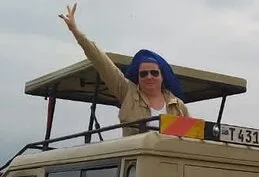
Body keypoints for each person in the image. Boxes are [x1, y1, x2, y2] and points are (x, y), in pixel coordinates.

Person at [58, 3, 189, 136]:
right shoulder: (128, 93)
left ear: (162, 76)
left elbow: (192, 138)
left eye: (154, 73)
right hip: (135, 150)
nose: (149, 77)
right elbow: (102, 63)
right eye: (143, 74)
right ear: (138, 77)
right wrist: (75, 31)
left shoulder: (178, 106)